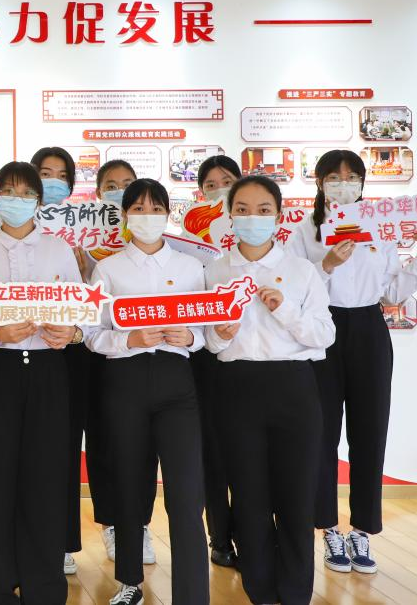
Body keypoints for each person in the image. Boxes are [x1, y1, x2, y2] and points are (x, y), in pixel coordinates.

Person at [285, 149, 417, 575]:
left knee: (370, 431)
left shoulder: (379, 227)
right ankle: (328, 527)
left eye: (352, 176)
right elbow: (295, 290)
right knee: (321, 434)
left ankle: (362, 530)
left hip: (370, 328)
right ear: (319, 182)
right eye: (334, 177)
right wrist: (326, 265)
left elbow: (391, 294)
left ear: (362, 183)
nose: (343, 183)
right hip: (322, 329)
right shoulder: (304, 231)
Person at [206, 175, 335, 605]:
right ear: (230, 215)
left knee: (296, 497)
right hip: (236, 389)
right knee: (249, 497)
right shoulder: (215, 271)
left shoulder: (301, 271)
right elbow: (209, 342)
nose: (252, 218)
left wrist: (285, 310)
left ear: (278, 216)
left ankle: (296, 592)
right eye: (242, 209)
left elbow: (324, 335)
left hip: (293, 388)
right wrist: (220, 333)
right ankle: (259, 588)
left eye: (263, 210)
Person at [0, 163, 84, 605]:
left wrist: (72, 332)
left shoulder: (58, 250)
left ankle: (44, 587)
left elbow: (82, 310)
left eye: (25, 192)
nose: (16, 200)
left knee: (45, 478)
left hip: (49, 372)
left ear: (38, 201)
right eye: (7, 191)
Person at [89, 178, 208, 605]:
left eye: (156, 208)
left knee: (186, 491)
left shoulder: (191, 268)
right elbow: (91, 334)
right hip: (125, 382)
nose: (147, 217)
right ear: (124, 216)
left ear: (167, 214)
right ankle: (129, 583)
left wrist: (189, 338)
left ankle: (192, 593)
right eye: (138, 209)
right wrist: (129, 340)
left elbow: (206, 330)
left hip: (177, 384)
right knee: (128, 483)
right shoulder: (108, 269)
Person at [90, 159, 157, 567]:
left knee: (141, 445)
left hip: (145, 355)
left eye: (126, 184)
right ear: (98, 194)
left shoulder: (157, 240)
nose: (118, 191)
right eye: (110, 185)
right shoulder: (82, 236)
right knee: (105, 442)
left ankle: (138, 525)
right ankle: (112, 522)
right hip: (90, 347)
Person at [31, 146, 89, 575]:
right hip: (22, 351)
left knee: (63, 449)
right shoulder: (9, 229)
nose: (52, 181)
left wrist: (87, 270)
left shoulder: (90, 229)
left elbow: (93, 301)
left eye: (60, 175)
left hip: (72, 351)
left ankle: (62, 540)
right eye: (44, 173)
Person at [189, 154, 242, 568]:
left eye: (227, 180)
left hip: (249, 358)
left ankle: (251, 533)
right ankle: (219, 537)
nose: (219, 189)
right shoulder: (189, 238)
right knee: (213, 450)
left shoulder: (264, 238)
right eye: (210, 184)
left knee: (248, 452)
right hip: (206, 357)